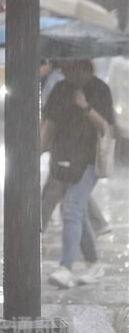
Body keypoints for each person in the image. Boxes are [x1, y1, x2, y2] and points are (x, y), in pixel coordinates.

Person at [42, 60, 113, 289]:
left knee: (71, 208)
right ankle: (94, 263)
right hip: (62, 160)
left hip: (89, 161)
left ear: (87, 69)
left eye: (74, 69)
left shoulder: (100, 89)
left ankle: (66, 267)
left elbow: (106, 128)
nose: (69, 73)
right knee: (77, 213)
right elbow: (49, 125)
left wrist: (85, 107)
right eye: (66, 69)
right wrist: (37, 151)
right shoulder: (60, 89)